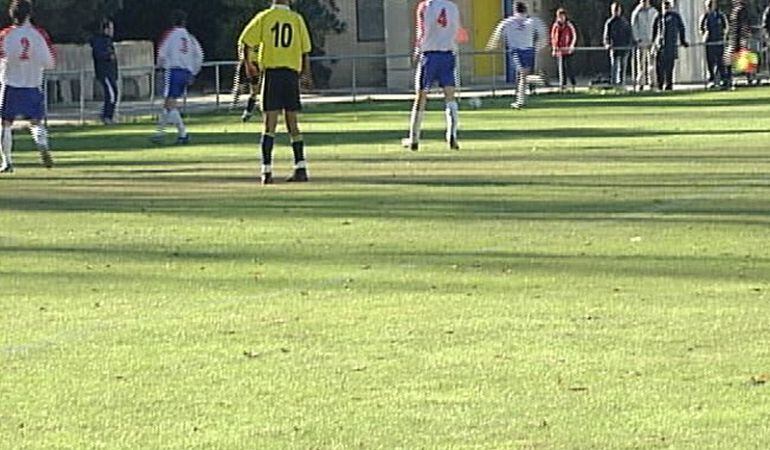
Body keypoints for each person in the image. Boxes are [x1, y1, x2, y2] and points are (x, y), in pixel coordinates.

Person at [239, 0, 312, 184]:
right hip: (290, 75)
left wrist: (248, 64)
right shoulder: (296, 19)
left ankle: (267, 171)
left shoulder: (265, 17)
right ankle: (300, 167)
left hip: (272, 74)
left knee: (269, 125)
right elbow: (305, 52)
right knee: (292, 124)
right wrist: (305, 75)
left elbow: (245, 41)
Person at [0, 0, 55, 174]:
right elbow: (50, 62)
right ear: (29, 14)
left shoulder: (5, 35)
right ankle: (42, 144)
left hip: (10, 85)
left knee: (5, 124)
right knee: (36, 122)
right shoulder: (39, 35)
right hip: (33, 85)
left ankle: (7, 161)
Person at [402, 0, 464, 151]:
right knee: (450, 96)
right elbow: (459, 33)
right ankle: (452, 135)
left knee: (421, 96)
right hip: (448, 54)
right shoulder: (453, 7)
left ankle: (414, 138)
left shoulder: (425, 6)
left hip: (429, 55)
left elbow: (421, 31)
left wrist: (417, 49)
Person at [152, 10, 203, 145]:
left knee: (169, 103)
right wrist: (193, 72)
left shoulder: (170, 35)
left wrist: (160, 65)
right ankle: (160, 133)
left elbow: (161, 53)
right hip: (185, 72)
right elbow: (199, 55)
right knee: (170, 104)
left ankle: (181, 133)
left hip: (173, 71)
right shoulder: (190, 37)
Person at [488, 1, 547, 109]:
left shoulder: (508, 22)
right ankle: (520, 100)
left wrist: (492, 45)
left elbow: (497, 33)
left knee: (522, 76)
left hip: (516, 51)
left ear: (515, 10)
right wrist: (539, 47)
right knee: (523, 77)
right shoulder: (532, 21)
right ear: (525, 9)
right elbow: (543, 34)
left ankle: (538, 81)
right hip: (529, 50)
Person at [652, 1, 688, 91]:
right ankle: (660, 85)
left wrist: (683, 41)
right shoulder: (659, 17)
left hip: (670, 46)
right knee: (659, 67)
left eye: (667, 5)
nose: (666, 7)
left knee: (669, 68)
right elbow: (654, 31)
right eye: (664, 5)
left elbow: (681, 28)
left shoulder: (675, 17)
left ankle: (668, 85)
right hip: (660, 46)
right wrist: (654, 44)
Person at [89, 17, 119, 125]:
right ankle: (107, 116)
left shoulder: (108, 41)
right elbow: (98, 55)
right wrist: (107, 56)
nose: (112, 31)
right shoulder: (100, 41)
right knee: (111, 94)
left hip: (110, 73)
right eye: (111, 28)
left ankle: (107, 115)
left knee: (113, 94)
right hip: (105, 72)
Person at [603, 2, 633, 87]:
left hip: (624, 48)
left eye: (617, 10)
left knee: (622, 68)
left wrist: (629, 45)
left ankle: (621, 85)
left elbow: (629, 34)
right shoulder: (609, 22)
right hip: (614, 48)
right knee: (614, 67)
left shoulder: (625, 22)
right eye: (614, 10)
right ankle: (613, 85)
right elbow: (606, 35)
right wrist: (607, 44)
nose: (616, 12)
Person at [699, 0, 728, 89]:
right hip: (709, 43)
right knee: (710, 62)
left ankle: (723, 79)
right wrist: (704, 36)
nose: (710, 7)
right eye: (708, 5)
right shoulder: (705, 16)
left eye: (711, 5)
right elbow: (700, 29)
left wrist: (723, 36)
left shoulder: (720, 15)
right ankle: (711, 80)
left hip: (719, 42)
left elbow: (725, 27)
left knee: (721, 62)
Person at [631, 0, 659, 90]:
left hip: (652, 40)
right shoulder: (637, 12)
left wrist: (656, 39)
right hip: (641, 41)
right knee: (641, 64)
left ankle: (652, 82)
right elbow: (634, 25)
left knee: (652, 62)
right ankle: (640, 83)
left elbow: (658, 26)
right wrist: (637, 38)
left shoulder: (654, 12)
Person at [724, 0, 750, 89]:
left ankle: (732, 80)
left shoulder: (740, 10)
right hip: (735, 38)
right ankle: (732, 79)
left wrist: (743, 37)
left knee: (731, 59)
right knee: (731, 59)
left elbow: (742, 25)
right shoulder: (738, 10)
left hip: (737, 38)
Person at [550, 8, 577, 91]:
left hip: (568, 50)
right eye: (560, 16)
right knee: (561, 68)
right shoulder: (555, 26)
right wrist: (554, 48)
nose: (561, 18)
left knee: (569, 68)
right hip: (560, 51)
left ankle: (573, 84)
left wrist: (571, 46)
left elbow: (574, 36)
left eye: (563, 16)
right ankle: (563, 85)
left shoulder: (569, 25)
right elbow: (553, 38)